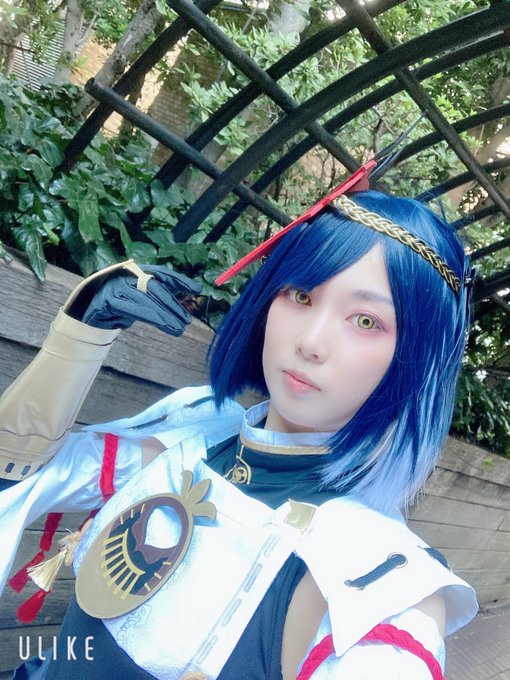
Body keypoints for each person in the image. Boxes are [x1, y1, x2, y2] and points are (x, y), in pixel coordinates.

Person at [0, 164, 478, 679]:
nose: (311, 342)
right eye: (301, 295)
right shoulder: (199, 431)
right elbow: (20, 473)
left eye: (365, 321)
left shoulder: (379, 579)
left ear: (414, 360)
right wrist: (80, 333)